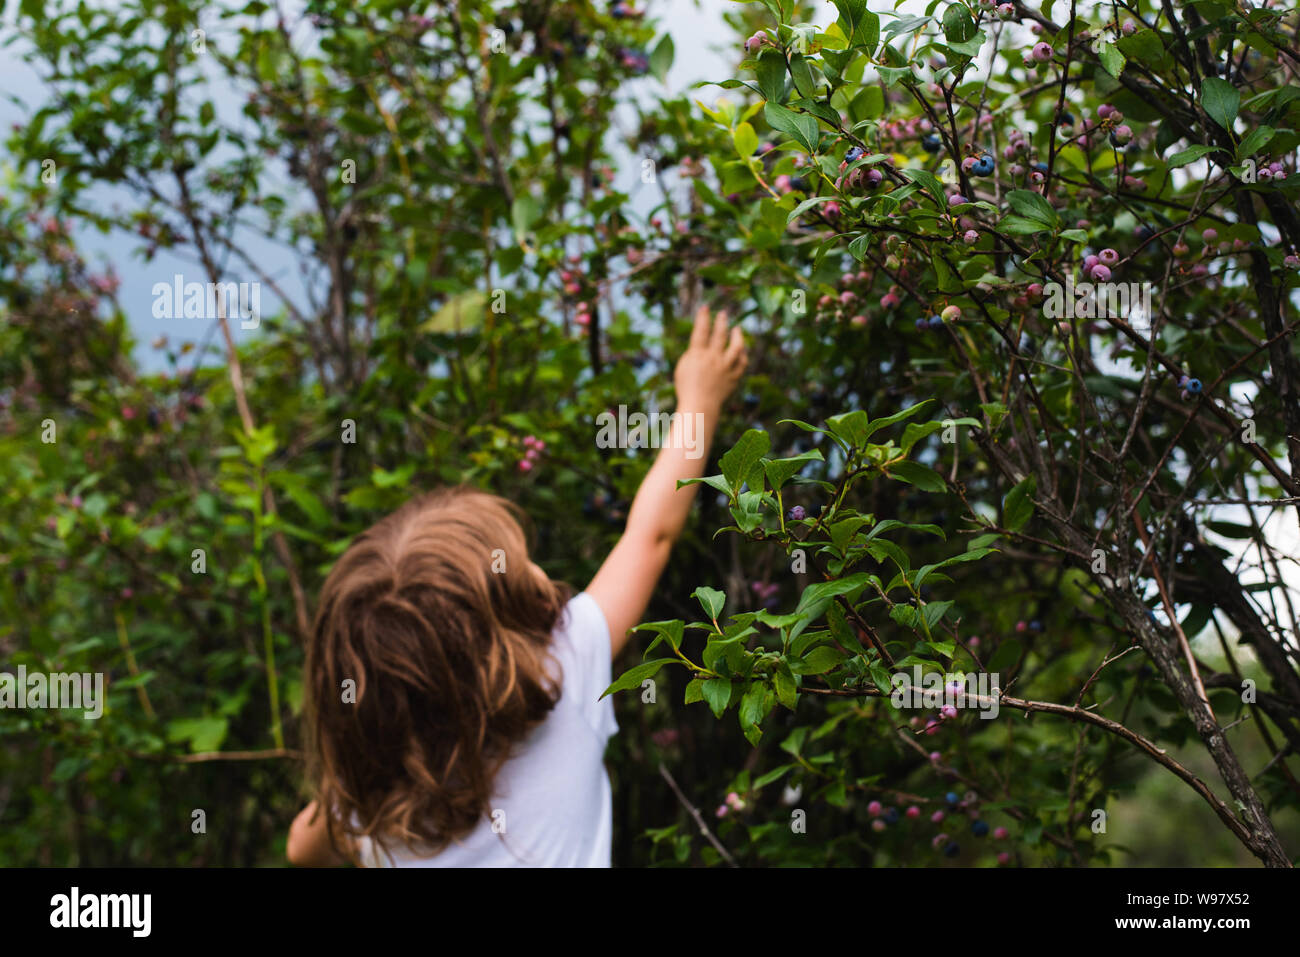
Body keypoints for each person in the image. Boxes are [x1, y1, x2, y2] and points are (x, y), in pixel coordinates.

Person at [287, 306, 746, 866]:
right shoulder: (565, 669)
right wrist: (701, 402)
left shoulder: (374, 806)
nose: (534, 571)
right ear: (497, 645)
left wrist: (359, 761)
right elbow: (651, 534)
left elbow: (301, 849)